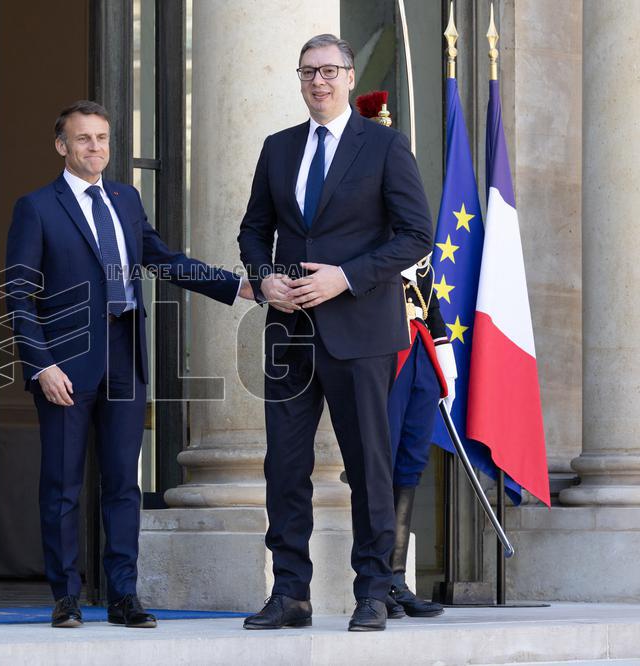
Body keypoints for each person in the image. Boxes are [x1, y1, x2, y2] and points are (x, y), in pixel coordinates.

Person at [5, 100, 252, 629]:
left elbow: (163, 260)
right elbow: (19, 295)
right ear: (61, 146)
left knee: (122, 484)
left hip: (125, 357)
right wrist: (40, 365)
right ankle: (66, 596)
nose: (96, 148)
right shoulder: (38, 207)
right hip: (65, 365)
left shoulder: (125, 199)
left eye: (103, 138)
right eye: (84, 139)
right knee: (63, 484)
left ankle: (123, 596)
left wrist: (238, 286)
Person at [237, 34, 433, 632]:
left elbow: (415, 234)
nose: (317, 81)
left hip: (361, 329)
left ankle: (373, 590)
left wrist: (345, 278)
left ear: (350, 77)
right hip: (288, 330)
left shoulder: (385, 146)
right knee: (285, 465)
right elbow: (253, 230)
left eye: (328, 71)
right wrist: (264, 276)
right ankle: (290, 594)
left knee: (369, 464)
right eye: (307, 72)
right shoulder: (277, 149)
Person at [385, 257, 455, 619]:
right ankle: (375, 579)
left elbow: (430, 304)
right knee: (379, 462)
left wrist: (443, 353)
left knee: (410, 464)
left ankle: (396, 578)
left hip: (420, 349)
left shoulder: (415, 248)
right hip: (382, 351)